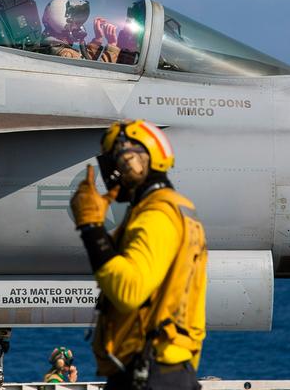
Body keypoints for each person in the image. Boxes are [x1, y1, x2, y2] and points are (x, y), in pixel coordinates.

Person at [70, 119, 207, 390]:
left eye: (112, 163)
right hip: (164, 371)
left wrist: (90, 228)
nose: (109, 174)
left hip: (149, 374)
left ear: (131, 162)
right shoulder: (173, 209)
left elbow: (128, 290)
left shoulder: (156, 216)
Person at [41, 0, 120, 63]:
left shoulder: (54, 46)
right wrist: (112, 46)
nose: (80, 27)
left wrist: (97, 39)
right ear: (61, 21)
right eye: (76, 23)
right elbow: (92, 73)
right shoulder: (66, 54)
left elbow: (86, 61)